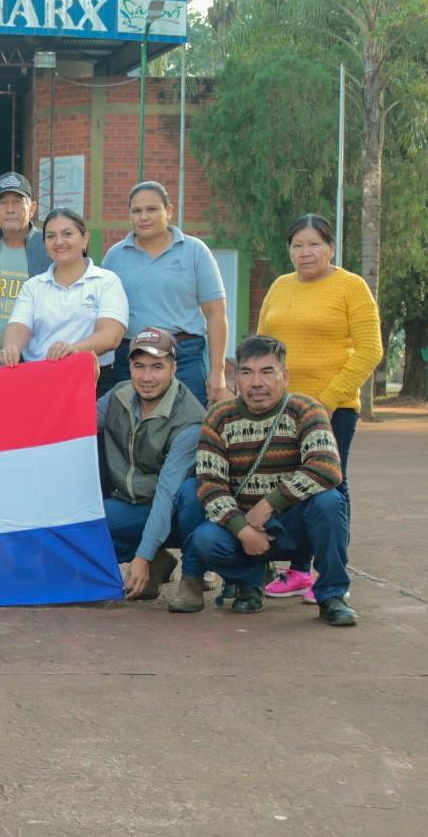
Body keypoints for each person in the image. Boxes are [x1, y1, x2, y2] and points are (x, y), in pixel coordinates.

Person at [168, 335, 357, 626]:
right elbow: (211, 486)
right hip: (241, 526)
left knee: (329, 501)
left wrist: (269, 504)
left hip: (294, 525)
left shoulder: (306, 409)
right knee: (205, 538)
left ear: (285, 376)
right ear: (236, 378)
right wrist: (243, 530)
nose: (256, 383)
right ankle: (250, 583)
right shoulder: (218, 417)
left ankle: (332, 595)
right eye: (247, 372)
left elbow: (327, 468)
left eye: (267, 372)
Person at [255, 214, 383, 600]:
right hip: (282, 409)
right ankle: (298, 570)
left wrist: (327, 400)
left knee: (330, 486)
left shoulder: (351, 287)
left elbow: (370, 350)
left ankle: (331, 577)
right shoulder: (280, 286)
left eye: (314, 244)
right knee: (288, 484)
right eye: (297, 245)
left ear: (331, 248)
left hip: (333, 409)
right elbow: (262, 346)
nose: (305, 252)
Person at [97, 328, 206, 600]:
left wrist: (142, 557)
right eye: (139, 366)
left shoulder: (189, 419)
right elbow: (74, 424)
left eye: (157, 367)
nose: (147, 377)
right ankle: (159, 560)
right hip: (131, 503)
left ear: (173, 368)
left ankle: (192, 574)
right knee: (81, 527)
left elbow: (167, 494)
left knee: (191, 493)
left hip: (177, 512)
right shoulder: (118, 395)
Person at [101, 181, 230, 406]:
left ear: (169, 211)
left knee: (189, 422)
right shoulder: (115, 256)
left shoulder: (195, 251)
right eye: (136, 211)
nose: (143, 217)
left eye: (151, 209)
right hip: (132, 357)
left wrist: (217, 371)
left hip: (184, 356)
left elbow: (216, 313)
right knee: (129, 422)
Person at [0, 208, 128, 394]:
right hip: (39, 380)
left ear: (85, 239)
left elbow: (111, 335)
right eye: (51, 236)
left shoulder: (106, 281)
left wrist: (73, 350)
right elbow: (18, 327)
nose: (59, 242)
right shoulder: (33, 286)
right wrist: (11, 348)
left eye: (67, 234)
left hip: (91, 379)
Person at [0, 172, 50, 358]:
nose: (10, 209)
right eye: (3, 202)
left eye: (17, 202)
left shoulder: (48, 248)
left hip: (32, 362)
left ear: (32, 208)